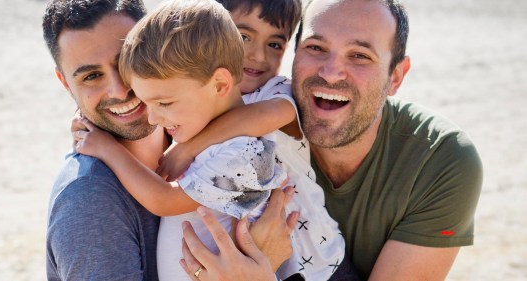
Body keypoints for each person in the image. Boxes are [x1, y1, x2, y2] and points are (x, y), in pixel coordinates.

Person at [180, 0, 483, 280]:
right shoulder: (250, 128)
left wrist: (262, 271)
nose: (331, 72)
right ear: (293, 57)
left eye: (360, 56)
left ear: (396, 77)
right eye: (316, 48)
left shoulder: (439, 160)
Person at [72, 0, 355, 280]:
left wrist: (109, 149)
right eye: (244, 36)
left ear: (219, 84)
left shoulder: (251, 142)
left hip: (314, 268)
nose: (255, 54)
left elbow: (164, 200)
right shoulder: (202, 106)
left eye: (275, 44)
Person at [41, 0, 164, 280]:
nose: (119, 90)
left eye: (126, 61)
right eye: (92, 76)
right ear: (66, 84)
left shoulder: (205, 139)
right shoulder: (90, 201)